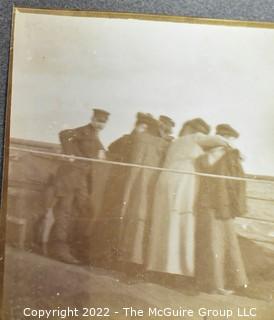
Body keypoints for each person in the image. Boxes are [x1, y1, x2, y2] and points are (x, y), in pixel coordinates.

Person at [146, 118, 228, 280]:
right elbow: (221, 141)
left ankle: (156, 267)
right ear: (197, 130)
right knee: (182, 224)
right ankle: (178, 271)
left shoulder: (175, 142)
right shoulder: (196, 137)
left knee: (162, 224)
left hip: (164, 181)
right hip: (183, 182)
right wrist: (216, 153)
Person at [49, 108, 110, 264]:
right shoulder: (84, 131)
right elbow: (64, 135)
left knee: (80, 211)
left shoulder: (96, 138)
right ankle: (59, 249)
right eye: (98, 121)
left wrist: (102, 155)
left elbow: (98, 155)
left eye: (103, 123)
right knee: (65, 211)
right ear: (93, 119)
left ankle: (65, 247)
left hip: (81, 181)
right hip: (70, 178)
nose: (100, 125)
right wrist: (70, 154)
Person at [195, 124, 248, 295]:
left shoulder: (205, 156)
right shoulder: (230, 156)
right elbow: (237, 184)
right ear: (226, 138)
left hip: (210, 204)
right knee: (224, 245)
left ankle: (217, 283)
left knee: (214, 245)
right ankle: (221, 285)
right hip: (222, 205)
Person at [117, 113, 169, 279]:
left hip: (133, 191)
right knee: (143, 225)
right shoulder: (163, 144)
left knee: (134, 225)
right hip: (150, 191)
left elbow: (115, 147)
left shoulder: (136, 138)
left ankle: (130, 264)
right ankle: (137, 266)